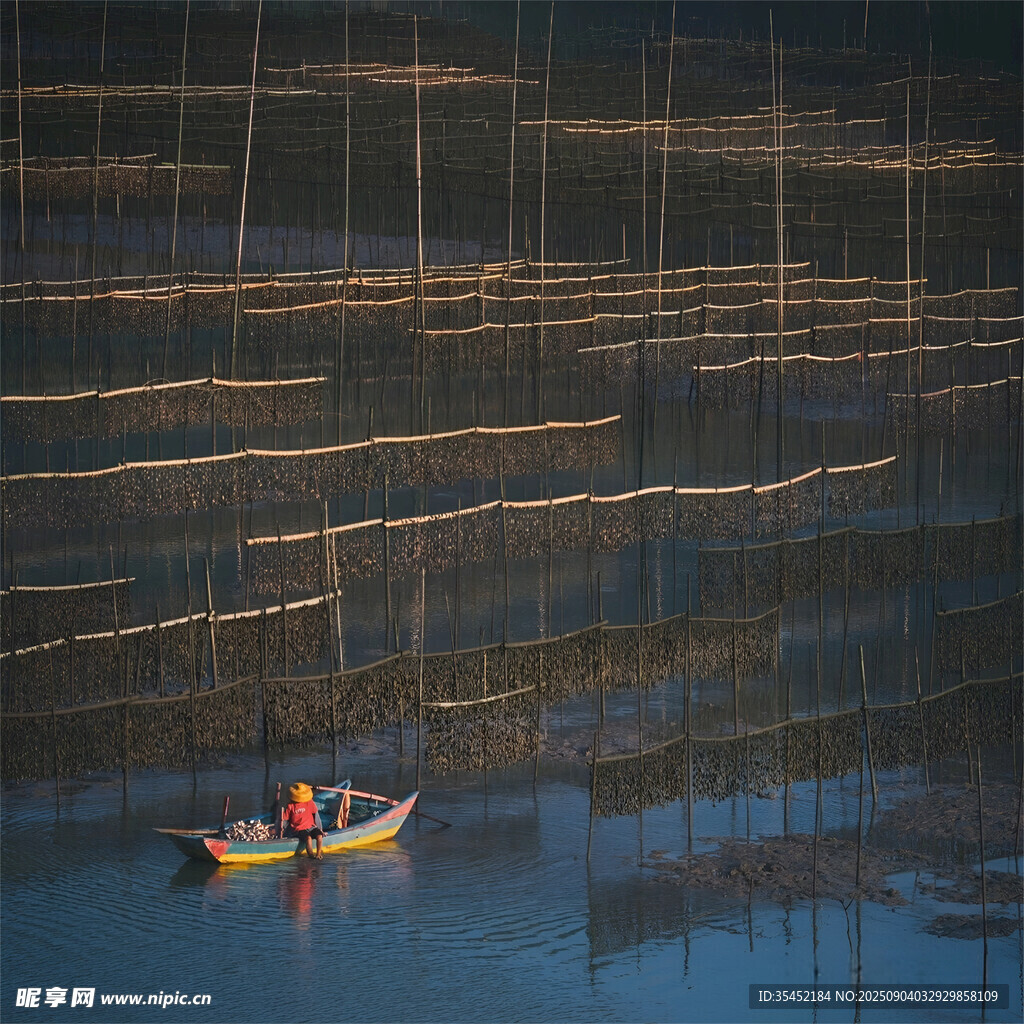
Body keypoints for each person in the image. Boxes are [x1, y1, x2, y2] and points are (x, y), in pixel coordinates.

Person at [281, 782, 324, 859]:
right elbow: (285, 820)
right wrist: (285, 832)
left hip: (311, 826)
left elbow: (316, 816)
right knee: (308, 838)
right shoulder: (290, 806)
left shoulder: (310, 802)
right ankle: (311, 855)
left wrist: (320, 829)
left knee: (319, 836)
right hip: (299, 828)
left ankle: (318, 854)